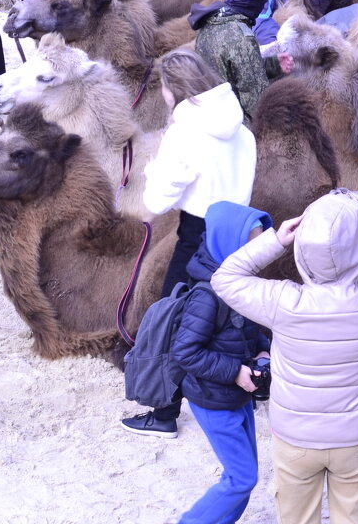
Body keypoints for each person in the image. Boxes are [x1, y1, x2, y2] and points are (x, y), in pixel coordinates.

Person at [211, 190, 358, 524]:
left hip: (295, 439)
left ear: (302, 247)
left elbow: (224, 278)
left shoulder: (281, 301)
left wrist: (276, 241)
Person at [122, 49, 256, 438]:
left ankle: (164, 413)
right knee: (231, 317)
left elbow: (157, 201)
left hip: (197, 235)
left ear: (173, 89)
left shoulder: (184, 131)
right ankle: (239, 390)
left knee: (173, 318)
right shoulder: (240, 127)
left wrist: (154, 167)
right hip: (240, 230)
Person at [171, 201, 273, 524]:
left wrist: (262, 351)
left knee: (244, 476)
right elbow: (185, 351)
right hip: (212, 398)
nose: (258, 254)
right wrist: (236, 371)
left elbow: (248, 330)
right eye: (250, 246)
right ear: (229, 244)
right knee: (242, 478)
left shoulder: (241, 282)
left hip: (237, 393)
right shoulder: (207, 295)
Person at [189, 0, 287, 123]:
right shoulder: (241, 36)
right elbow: (257, 103)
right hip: (238, 129)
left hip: (212, 120)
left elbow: (232, 72)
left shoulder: (210, 23)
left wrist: (273, 65)